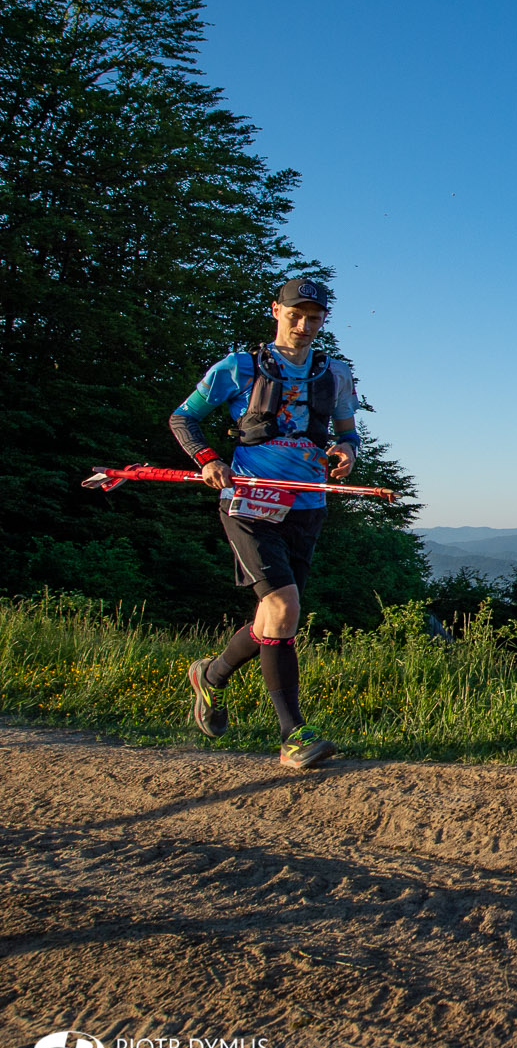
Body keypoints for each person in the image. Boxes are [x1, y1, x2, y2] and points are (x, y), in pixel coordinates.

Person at [168, 277, 361, 770]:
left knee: (276, 617)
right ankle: (293, 735)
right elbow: (183, 418)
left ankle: (211, 676)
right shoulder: (239, 366)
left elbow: (347, 432)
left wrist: (346, 451)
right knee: (283, 604)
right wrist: (208, 458)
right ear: (276, 310)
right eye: (295, 314)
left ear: (324, 321)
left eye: (314, 318)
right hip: (249, 501)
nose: (303, 325)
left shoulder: (336, 373)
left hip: (307, 503)